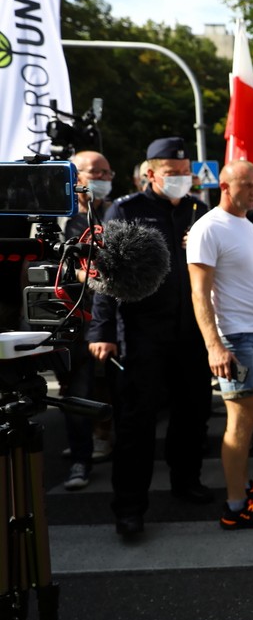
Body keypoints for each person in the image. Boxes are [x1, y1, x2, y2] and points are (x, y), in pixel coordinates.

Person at [88, 137, 214, 538]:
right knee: (137, 422)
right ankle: (129, 508)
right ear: (151, 173)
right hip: (142, 332)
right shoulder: (127, 211)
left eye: (186, 172)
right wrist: (102, 330)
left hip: (190, 330)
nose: (181, 179)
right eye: (173, 173)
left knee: (193, 412)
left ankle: (186, 480)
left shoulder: (199, 210)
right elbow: (106, 275)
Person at [188, 160, 253, 531]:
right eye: (247, 185)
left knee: (250, 417)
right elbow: (199, 293)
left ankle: (243, 487)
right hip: (234, 337)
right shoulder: (208, 228)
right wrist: (214, 345)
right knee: (240, 420)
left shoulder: (248, 226)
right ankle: (235, 506)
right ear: (225, 187)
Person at [58, 150, 116, 489]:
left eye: (108, 173)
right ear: (75, 177)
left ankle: (105, 440)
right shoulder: (59, 222)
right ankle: (80, 459)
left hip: (110, 321)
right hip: (72, 322)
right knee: (75, 392)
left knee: (111, 388)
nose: (103, 179)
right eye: (96, 172)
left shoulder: (118, 213)